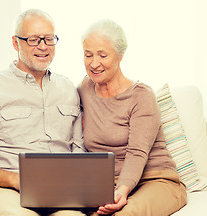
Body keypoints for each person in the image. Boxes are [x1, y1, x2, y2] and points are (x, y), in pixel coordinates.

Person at [0, 9, 86, 216]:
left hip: (60, 192)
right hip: (5, 192)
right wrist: (15, 179)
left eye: (49, 39)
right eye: (34, 39)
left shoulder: (68, 89)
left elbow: (79, 150)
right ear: (16, 43)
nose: (43, 46)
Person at [78, 19, 187, 216]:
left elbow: (137, 152)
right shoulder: (85, 89)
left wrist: (122, 190)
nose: (94, 63)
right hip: (107, 184)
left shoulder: (141, 95)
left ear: (120, 56)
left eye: (103, 55)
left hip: (155, 180)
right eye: (88, 55)